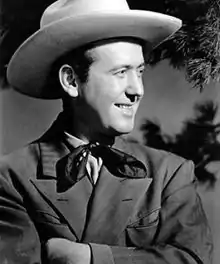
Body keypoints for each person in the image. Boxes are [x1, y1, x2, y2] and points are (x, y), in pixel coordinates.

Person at [0, 0, 213, 263]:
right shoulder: (11, 177)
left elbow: (193, 258)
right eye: (121, 72)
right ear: (71, 81)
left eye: (140, 71)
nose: (137, 89)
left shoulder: (171, 173)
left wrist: (89, 257)